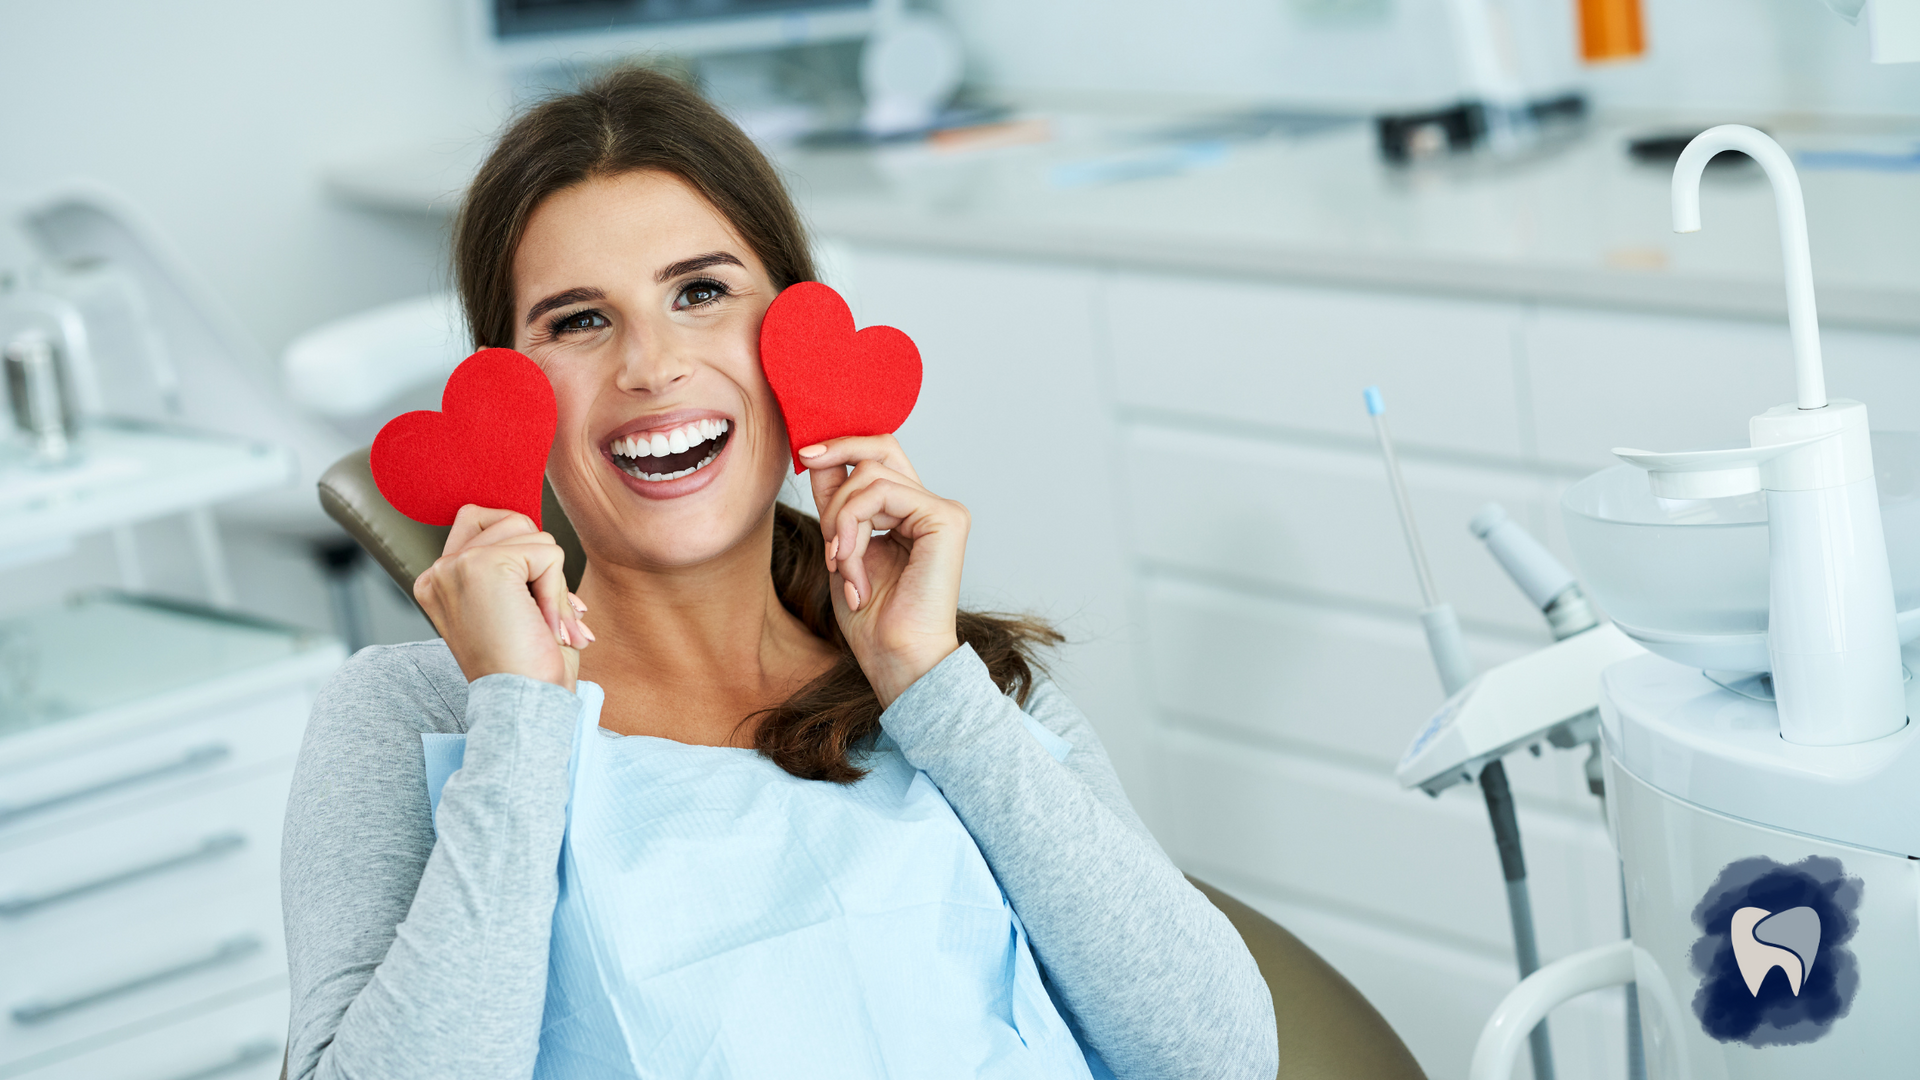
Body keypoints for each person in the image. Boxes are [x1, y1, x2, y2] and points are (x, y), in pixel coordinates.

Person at [281, 65, 1277, 1080]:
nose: (650, 365)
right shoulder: (417, 717)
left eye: (701, 292)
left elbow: (1218, 1058)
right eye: (578, 320)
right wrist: (519, 724)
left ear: (795, 346)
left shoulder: (956, 682)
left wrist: (929, 684)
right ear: (510, 395)